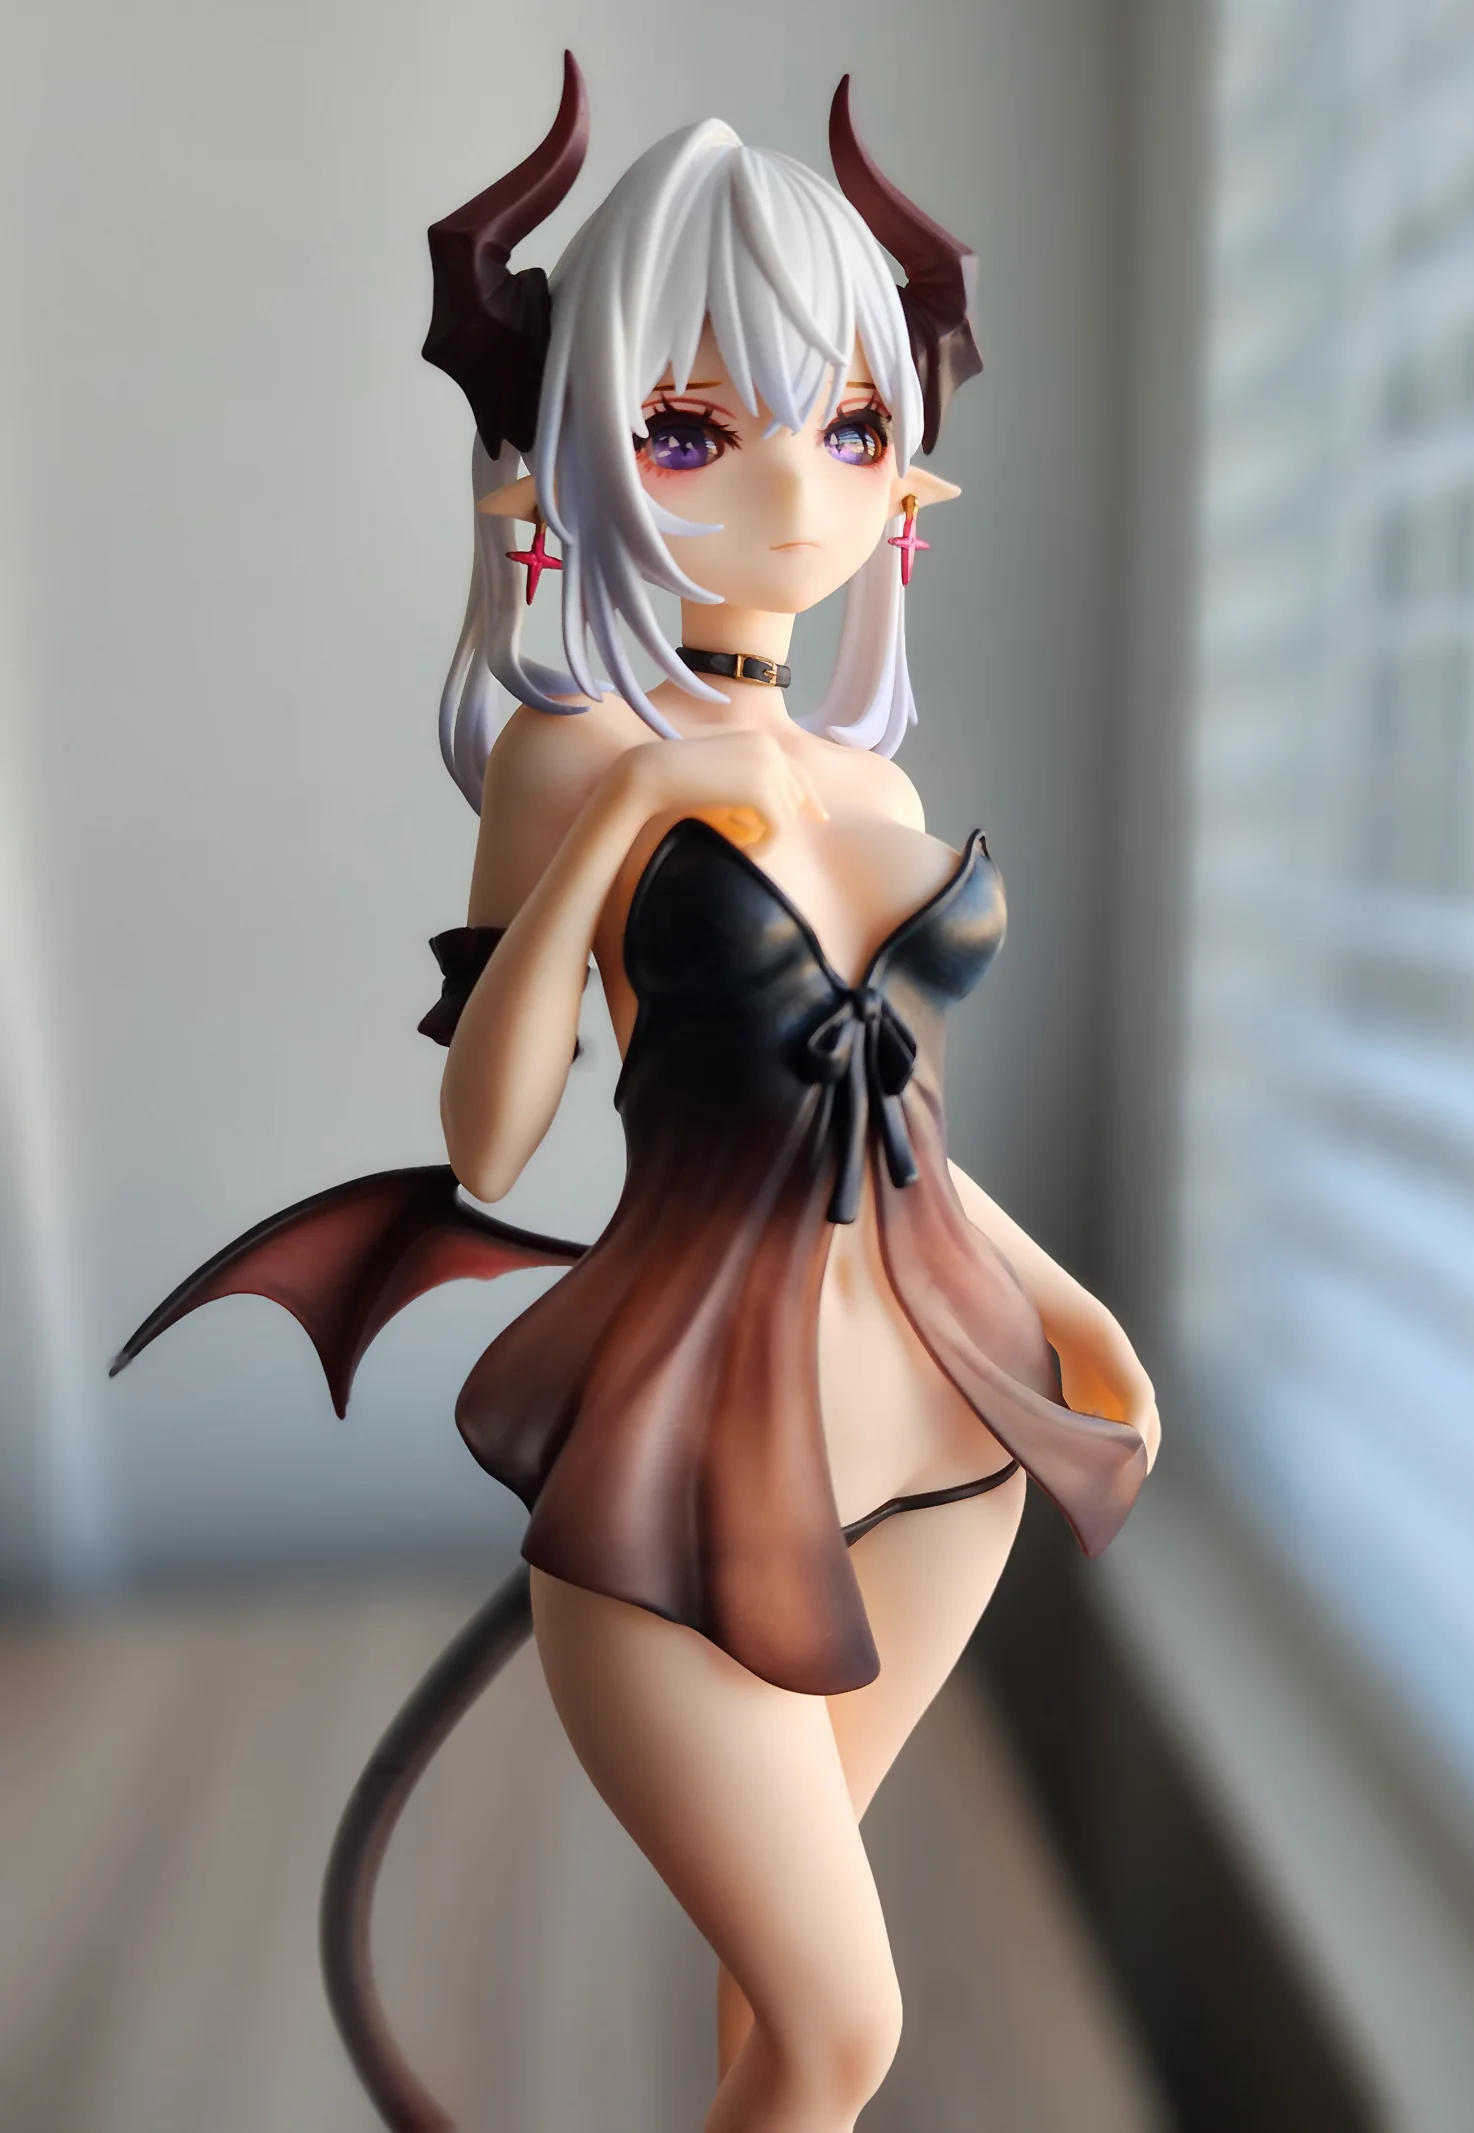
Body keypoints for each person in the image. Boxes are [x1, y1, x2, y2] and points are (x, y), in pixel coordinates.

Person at [116, 55, 1158, 2133]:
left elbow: (900, 1144)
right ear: (582, 450)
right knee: (845, 2029)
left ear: (907, 465)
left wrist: (1074, 1315)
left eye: (847, 425)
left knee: (774, 2015)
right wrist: (626, 816)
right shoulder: (568, 760)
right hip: (680, 1471)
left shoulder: (878, 794)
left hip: (943, 1444)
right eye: (693, 430)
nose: (791, 489)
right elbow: (487, 1138)